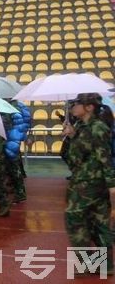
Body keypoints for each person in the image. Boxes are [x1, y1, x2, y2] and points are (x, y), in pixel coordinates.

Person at [61, 93, 114, 276]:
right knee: (97, 223)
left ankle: (88, 264)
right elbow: (75, 157)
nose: (73, 107)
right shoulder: (82, 126)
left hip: (90, 183)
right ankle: (104, 265)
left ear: (89, 107)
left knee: (74, 219)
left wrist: (112, 185)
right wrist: (71, 136)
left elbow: (105, 158)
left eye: (77, 104)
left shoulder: (98, 127)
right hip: (84, 179)